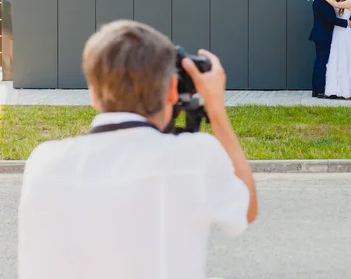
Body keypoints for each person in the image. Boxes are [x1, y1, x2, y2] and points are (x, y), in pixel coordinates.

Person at [18, 20, 257, 279]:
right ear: (172, 90)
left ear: (93, 95)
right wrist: (216, 108)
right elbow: (247, 208)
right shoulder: (195, 157)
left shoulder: (44, 164)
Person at [309, 0, 351, 98]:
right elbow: (330, 19)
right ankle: (320, 91)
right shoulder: (321, 1)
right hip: (323, 35)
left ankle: (316, 90)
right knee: (322, 62)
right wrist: (345, 23)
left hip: (320, 34)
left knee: (319, 62)